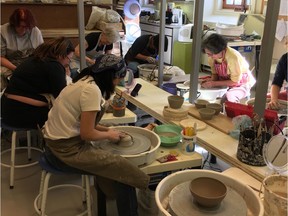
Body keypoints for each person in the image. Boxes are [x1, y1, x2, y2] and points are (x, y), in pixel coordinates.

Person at [43, 54, 149, 216]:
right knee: (124, 172)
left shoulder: (85, 80)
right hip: (63, 151)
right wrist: (110, 136)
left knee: (115, 165)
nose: (118, 83)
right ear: (112, 77)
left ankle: (110, 198)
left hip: (56, 142)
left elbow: (85, 123)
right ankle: (141, 198)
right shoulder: (91, 91)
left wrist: (107, 130)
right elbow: (87, 133)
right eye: (119, 78)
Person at [1, 37, 75, 129]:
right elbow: (61, 96)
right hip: (19, 114)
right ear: (61, 55)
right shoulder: (54, 66)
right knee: (70, 118)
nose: (68, 62)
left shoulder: (35, 59)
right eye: (69, 59)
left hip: (7, 109)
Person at [201, 33, 256, 103]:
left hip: (241, 83)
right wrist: (210, 81)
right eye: (208, 54)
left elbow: (235, 82)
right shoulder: (211, 58)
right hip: (225, 80)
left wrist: (213, 83)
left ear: (221, 50)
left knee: (229, 97)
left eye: (211, 54)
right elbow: (215, 75)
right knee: (205, 92)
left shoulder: (233, 57)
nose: (209, 56)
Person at [1, 8, 44, 90]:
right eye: (23, 26)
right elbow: (1, 57)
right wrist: (16, 69)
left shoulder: (35, 30)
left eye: (28, 27)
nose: (26, 30)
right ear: (14, 24)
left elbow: (41, 53)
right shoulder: (3, 31)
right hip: (10, 64)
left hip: (30, 63)